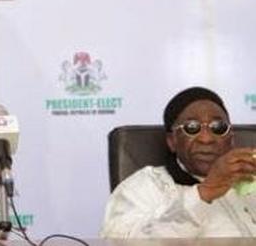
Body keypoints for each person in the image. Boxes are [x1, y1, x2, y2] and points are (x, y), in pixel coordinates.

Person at [101, 86, 256, 238]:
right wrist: (205, 191)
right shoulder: (144, 186)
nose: (206, 139)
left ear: (231, 139)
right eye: (192, 127)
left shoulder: (250, 180)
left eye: (218, 127)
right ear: (172, 141)